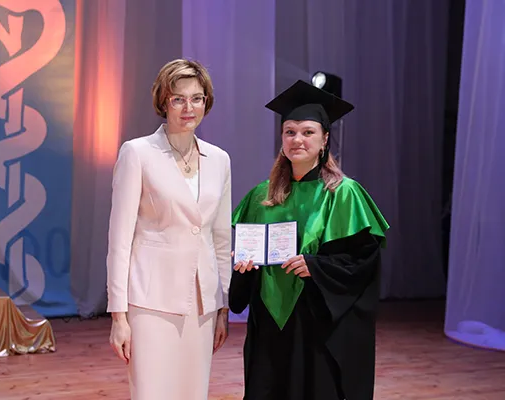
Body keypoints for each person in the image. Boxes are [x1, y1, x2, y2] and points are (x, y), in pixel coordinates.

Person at [229, 80, 390, 400]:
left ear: (324, 139)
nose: (297, 139)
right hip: (269, 316)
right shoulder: (262, 196)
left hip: (317, 319)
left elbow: (364, 261)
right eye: (289, 132)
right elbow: (247, 256)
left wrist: (316, 266)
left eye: (307, 132)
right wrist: (243, 267)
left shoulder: (343, 194)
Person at [106, 59, 232, 400]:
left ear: (206, 102)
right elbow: (119, 241)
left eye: (197, 98)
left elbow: (220, 237)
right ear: (164, 102)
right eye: (178, 99)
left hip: (203, 302)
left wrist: (223, 307)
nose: (189, 108)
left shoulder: (219, 159)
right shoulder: (138, 153)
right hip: (151, 301)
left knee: (194, 393)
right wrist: (119, 316)